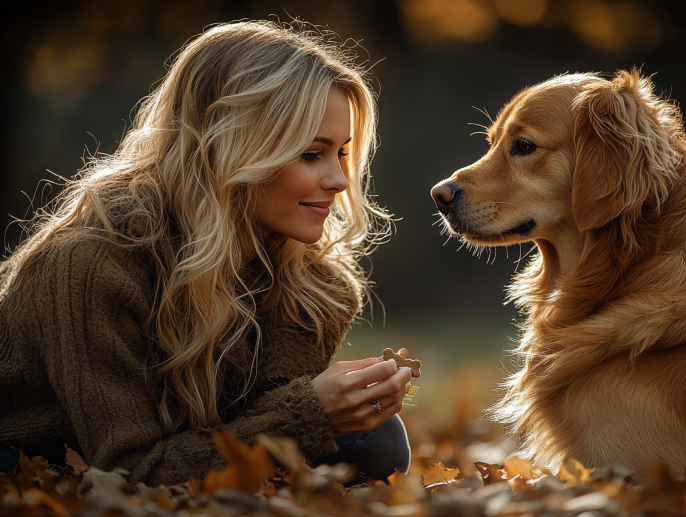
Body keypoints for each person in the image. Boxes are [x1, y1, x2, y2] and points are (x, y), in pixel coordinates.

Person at [0, 20, 413, 487]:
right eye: (310, 154)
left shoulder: (313, 284)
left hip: (181, 455)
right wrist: (308, 413)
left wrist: (328, 407)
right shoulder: (92, 265)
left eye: (341, 153)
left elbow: (258, 426)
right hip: (38, 466)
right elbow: (132, 475)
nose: (340, 180)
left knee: (375, 436)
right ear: (231, 148)